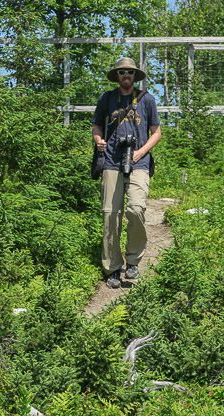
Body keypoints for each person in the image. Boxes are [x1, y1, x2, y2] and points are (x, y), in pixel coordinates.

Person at [91, 57, 162, 289]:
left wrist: (141, 152)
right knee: (110, 214)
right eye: (122, 72)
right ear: (117, 76)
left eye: (130, 72)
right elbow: (96, 125)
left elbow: (157, 132)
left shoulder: (147, 100)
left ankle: (133, 261)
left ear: (135, 76)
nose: (126, 76)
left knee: (135, 209)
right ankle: (112, 267)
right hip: (111, 161)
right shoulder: (107, 99)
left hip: (139, 162)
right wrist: (98, 140)